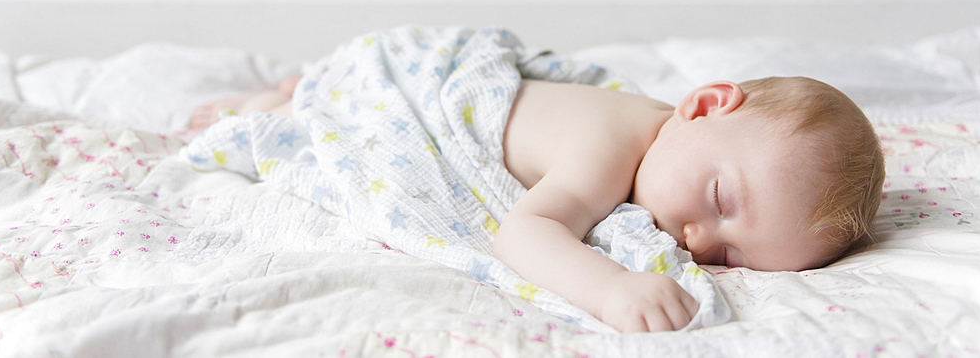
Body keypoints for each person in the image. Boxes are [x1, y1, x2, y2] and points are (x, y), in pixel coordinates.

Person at [190, 73, 884, 334]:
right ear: (702, 104)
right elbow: (524, 234)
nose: (700, 238)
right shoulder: (607, 152)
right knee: (313, 119)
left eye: (733, 253)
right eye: (718, 198)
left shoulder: (665, 145)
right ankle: (265, 99)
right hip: (411, 87)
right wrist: (611, 289)